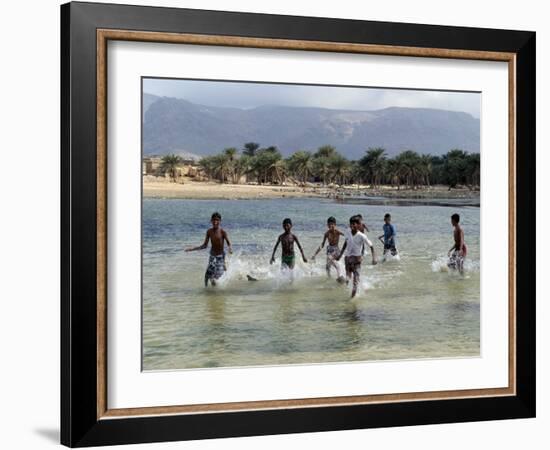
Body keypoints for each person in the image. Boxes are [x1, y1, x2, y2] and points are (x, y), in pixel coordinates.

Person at [185, 212, 233, 286]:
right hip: (212, 256)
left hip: (220, 256)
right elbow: (204, 245)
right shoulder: (209, 232)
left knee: (217, 277)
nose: (215, 222)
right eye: (213, 220)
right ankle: (208, 292)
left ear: (220, 221)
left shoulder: (223, 232)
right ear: (211, 221)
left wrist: (230, 249)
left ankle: (224, 269)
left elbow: (229, 243)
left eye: (217, 220)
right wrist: (192, 249)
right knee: (208, 276)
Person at [336, 215, 377, 297]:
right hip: (347, 259)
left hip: (357, 260)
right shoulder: (347, 232)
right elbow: (345, 242)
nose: (352, 226)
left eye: (354, 224)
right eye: (351, 224)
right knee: (348, 278)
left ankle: (351, 300)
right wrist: (340, 255)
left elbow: (371, 246)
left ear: (358, 225)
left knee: (355, 282)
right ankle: (345, 283)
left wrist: (374, 258)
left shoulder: (362, 236)